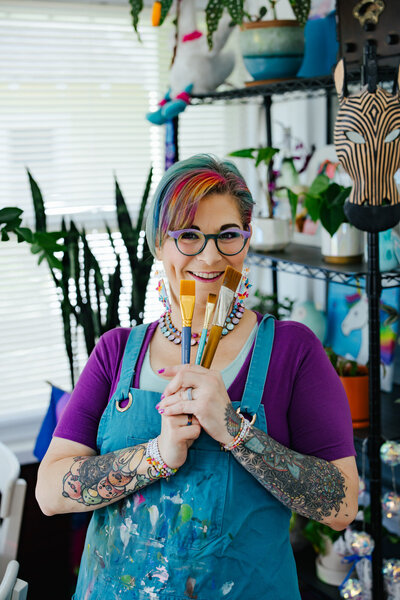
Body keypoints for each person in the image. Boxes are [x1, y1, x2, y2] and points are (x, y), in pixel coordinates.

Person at [36, 154, 359, 600]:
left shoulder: (293, 350)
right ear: (158, 245)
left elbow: (341, 504)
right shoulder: (115, 352)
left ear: (246, 242)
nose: (209, 256)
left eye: (228, 235)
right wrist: (157, 455)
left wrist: (234, 431)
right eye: (188, 235)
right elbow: (51, 493)